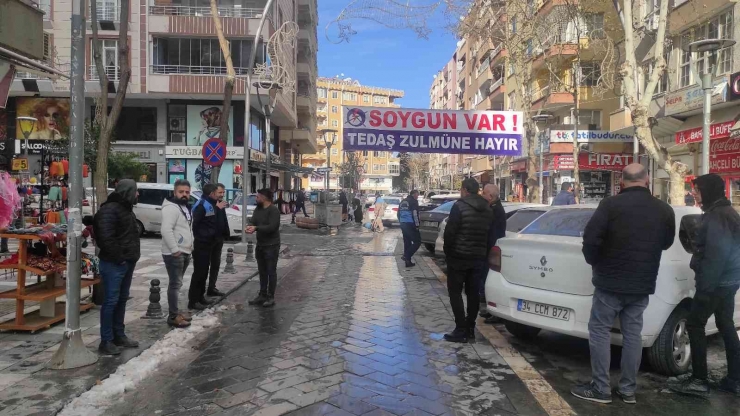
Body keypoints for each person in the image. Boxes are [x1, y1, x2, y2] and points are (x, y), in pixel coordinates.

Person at [571, 163, 675, 404]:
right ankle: (627, 390)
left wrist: (595, 263)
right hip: (642, 283)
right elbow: (666, 242)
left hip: (609, 282)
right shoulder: (663, 209)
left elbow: (591, 239)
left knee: (599, 331)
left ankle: (601, 388)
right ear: (647, 180)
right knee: (632, 335)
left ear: (622, 182)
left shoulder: (610, 205)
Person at [669, 174, 740, 398]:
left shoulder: (718, 216)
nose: (695, 195)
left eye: (698, 190)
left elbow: (715, 257)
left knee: (695, 324)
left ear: (709, 191)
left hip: (715, 283)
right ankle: (734, 379)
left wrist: (705, 288)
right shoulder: (724, 213)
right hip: (727, 281)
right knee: (725, 324)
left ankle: (699, 379)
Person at [93, 179, 141, 356]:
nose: (138, 194)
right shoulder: (110, 209)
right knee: (111, 301)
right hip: (114, 263)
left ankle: (118, 335)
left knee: (121, 299)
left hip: (126, 261)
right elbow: (105, 238)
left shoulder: (126, 209)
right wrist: (120, 258)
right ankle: (106, 340)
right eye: (135, 191)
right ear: (127, 192)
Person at [443, 178, 493, 343]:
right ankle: (470, 328)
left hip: (458, 256)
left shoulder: (459, 206)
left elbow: (450, 232)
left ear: (464, 190)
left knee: (455, 292)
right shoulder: (487, 208)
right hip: (478, 257)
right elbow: (488, 233)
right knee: (473, 294)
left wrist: (448, 253)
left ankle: (460, 329)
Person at [188, 183, 229, 311]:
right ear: (211, 193)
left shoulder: (211, 204)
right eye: (218, 192)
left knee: (204, 272)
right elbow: (195, 225)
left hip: (210, 242)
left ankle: (201, 297)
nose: (220, 195)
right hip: (202, 243)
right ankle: (193, 301)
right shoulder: (202, 205)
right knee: (199, 273)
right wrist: (203, 236)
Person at [160, 179, 194, 328]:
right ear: (175, 192)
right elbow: (166, 230)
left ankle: (176, 312)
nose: (184, 195)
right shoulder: (171, 208)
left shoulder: (185, 207)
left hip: (185, 251)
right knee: (175, 284)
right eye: (181, 192)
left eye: (187, 192)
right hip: (175, 253)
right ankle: (173, 316)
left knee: (178, 284)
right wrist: (175, 250)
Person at [246, 189, 281, 308]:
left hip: (271, 245)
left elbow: (272, 227)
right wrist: (250, 227)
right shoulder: (258, 209)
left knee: (271, 271)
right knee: (262, 271)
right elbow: (253, 222)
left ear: (264, 198)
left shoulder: (274, 210)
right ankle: (262, 294)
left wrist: (256, 228)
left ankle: (271, 297)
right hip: (260, 245)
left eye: (258, 197)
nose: (256, 199)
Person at [480, 184, 506, 321]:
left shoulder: (495, 211)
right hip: (490, 249)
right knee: (487, 280)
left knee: (491, 280)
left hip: (492, 251)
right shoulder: (493, 208)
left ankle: (496, 313)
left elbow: (493, 233)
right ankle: (491, 310)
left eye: (484, 193)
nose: (482, 195)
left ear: (490, 196)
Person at [398, 190, 421, 268]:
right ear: (414, 194)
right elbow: (415, 214)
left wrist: (401, 222)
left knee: (407, 242)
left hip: (403, 223)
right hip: (411, 224)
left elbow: (398, 214)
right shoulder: (414, 202)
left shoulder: (402, 202)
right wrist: (417, 225)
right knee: (417, 241)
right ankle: (406, 256)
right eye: (417, 194)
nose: (418, 196)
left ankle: (408, 262)